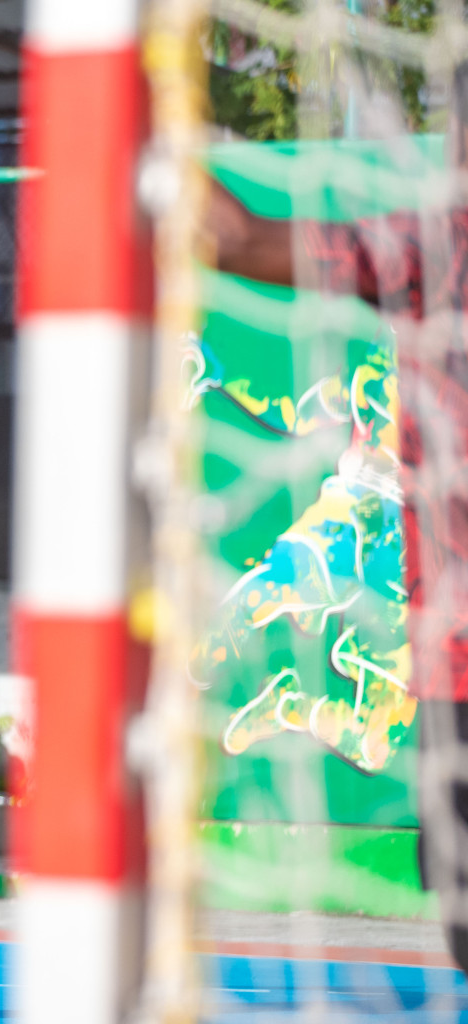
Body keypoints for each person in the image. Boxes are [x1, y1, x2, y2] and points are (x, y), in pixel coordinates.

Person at [203, 106, 468, 969]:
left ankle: (292, 699)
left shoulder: (437, 244)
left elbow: (232, 237)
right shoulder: (421, 273)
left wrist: (143, 114)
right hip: (386, 553)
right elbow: (300, 411)